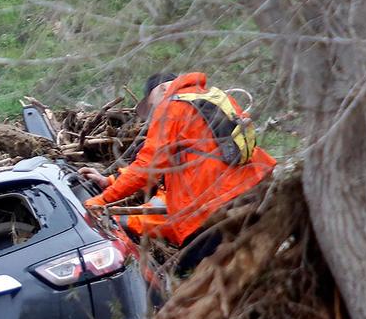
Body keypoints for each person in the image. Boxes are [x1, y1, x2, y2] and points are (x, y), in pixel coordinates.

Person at [80, 72, 277, 271]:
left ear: (162, 89)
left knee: (188, 279)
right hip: (256, 194)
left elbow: (148, 166)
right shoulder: (214, 99)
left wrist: (101, 201)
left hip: (214, 211)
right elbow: (183, 165)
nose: (153, 112)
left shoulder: (171, 107)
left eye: (151, 104)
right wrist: (112, 181)